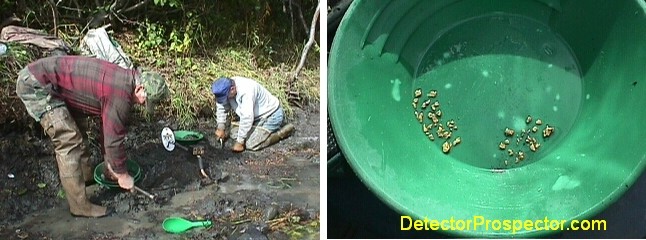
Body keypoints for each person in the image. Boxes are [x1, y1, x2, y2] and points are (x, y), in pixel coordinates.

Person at [15, 55, 169, 218]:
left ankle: (86, 179)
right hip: (37, 84)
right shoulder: (121, 95)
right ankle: (79, 206)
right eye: (145, 101)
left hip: (56, 84)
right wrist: (122, 175)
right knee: (69, 140)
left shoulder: (124, 79)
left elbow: (108, 128)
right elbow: (113, 141)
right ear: (139, 89)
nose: (142, 105)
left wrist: (110, 164)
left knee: (78, 128)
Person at [211, 76, 294, 152]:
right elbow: (222, 106)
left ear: (232, 89)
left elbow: (247, 118)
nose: (225, 99)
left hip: (272, 115)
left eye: (226, 97)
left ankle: (282, 132)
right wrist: (221, 127)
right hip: (256, 117)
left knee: (251, 144)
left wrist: (240, 142)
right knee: (233, 132)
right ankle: (259, 130)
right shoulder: (226, 87)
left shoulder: (247, 90)